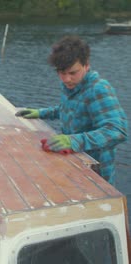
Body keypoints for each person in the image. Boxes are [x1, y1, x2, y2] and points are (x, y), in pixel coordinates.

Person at [15, 35, 128, 184]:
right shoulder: (72, 86)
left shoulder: (98, 89)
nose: (66, 79)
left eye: (73, 73)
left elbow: (117, 131)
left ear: (86, 65)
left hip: (97, 175)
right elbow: (68, 109)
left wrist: (73, 140)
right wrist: (40, 113)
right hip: (75, 163)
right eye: (62, 73)